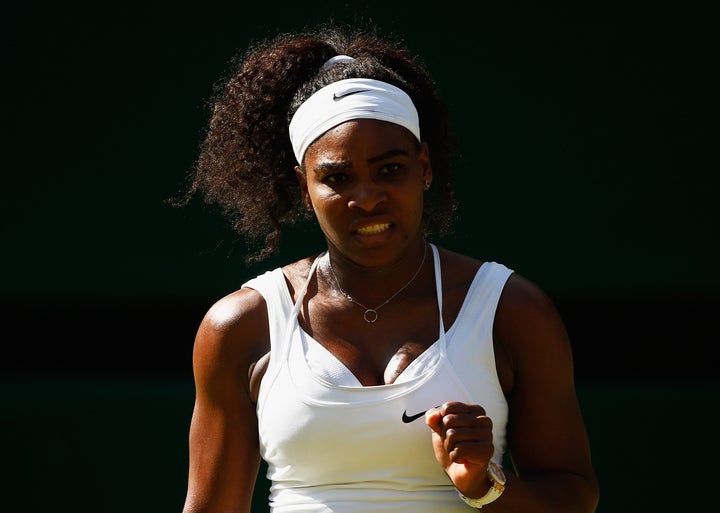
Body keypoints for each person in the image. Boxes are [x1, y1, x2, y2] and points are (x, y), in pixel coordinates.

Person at [178, 21, 599, 513]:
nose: (367, 198)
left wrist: (482, 485)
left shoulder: (512, 309)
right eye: (337, 177)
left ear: (424, 166)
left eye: (390, 169)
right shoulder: (240, 325)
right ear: (302, 187)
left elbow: (573, 495)